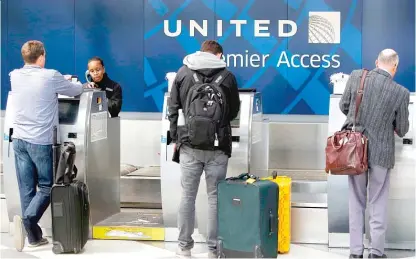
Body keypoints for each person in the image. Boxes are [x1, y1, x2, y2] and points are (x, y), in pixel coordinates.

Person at [9, 40, 84, 251]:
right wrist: (77, 83)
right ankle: (28, 221)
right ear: (42, 57)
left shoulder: (14, 75)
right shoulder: (50, 76)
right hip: (41, 141)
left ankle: (33, 237)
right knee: (46, 186)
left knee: (26, 189)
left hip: (19, 140)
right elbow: (74, 90)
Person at [168, 40, 240, 258]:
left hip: (189, 144)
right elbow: (234, 111)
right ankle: (213, 249)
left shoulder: (183, 72)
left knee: (187, 196)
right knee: (214, 197)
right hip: (218, 146)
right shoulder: (227, 76)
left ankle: (184, 247)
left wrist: (174, 136)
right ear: (218, 54)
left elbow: (173, 107)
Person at [339, 49, 410, 259]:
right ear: (395, 67)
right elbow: (403, 129)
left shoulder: (356, 77)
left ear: (376, 61)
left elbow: (344, 106)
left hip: (354, 150)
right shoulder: (401, 92)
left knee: (356, 201)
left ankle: (355, 252)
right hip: (382, 153)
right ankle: (376, 253)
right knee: (378, 202)